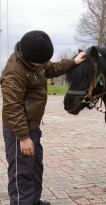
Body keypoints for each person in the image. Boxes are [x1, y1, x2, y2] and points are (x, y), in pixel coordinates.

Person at [1, 30, 86, 205]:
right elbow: (12, 107)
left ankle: (33, 201)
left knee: (35, 169)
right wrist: (23, 138)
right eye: (40, 62)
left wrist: (73, 62)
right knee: (21, 173)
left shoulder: (34, 59)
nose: (43, 64)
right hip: (19, 131)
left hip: (32, 127)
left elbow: (52, 68)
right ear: (31, 57)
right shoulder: (14, 71)